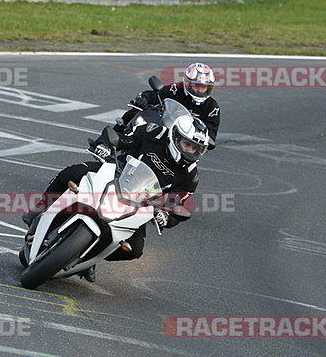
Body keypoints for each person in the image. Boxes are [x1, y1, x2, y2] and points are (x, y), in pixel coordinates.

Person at [22, 114, 210, 282]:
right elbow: (120, 138)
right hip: (115, 174)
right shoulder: (153, 133)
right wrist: (104, 146)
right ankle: (39, 209)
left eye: (196, 149)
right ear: (175, 137)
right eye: (188, 145)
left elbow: (179, 204)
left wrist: (166, 217)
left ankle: (88, 257)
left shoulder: (190, 176)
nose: (191, 152)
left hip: (140, 203)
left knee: (134, 250)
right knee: (72, 172)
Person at [115, 62, 220, 148]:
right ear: (188, 83)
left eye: (204, 87)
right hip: (163, 129)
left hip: (185, 144)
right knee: (133, 113)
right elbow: (156, 94)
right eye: (197, 85)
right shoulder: (175, 89)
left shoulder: (212, 108)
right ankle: (111, 140)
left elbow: (211, 136)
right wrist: (144, 97)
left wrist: (206, 139)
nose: (200, 90)